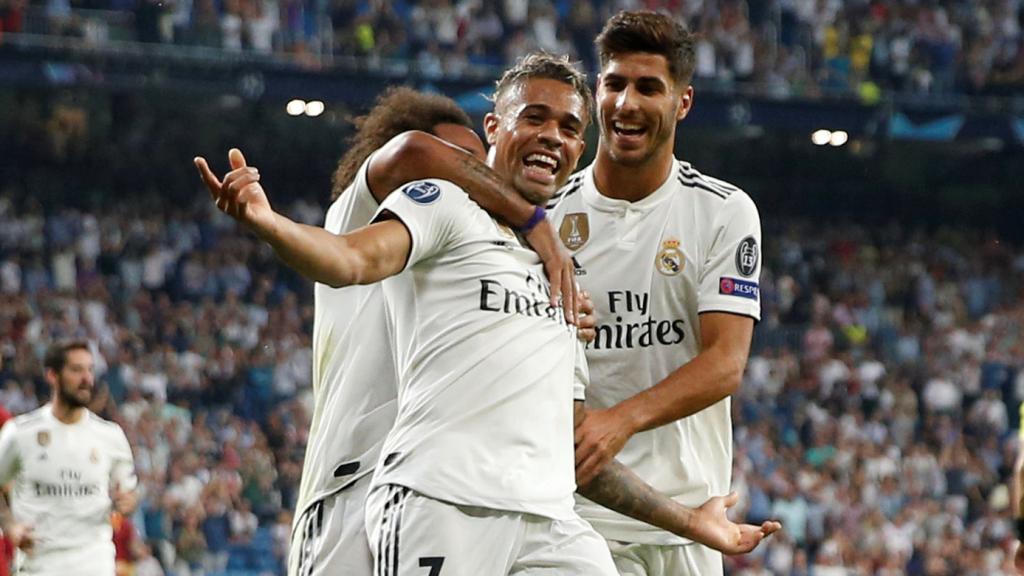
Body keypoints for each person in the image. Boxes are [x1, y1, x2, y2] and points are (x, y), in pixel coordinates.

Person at [199, 52, 778, 576]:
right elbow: (378, 212)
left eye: (570, 127)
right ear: (493, 131)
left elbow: (573, 446)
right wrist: (269, 223)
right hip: (380, 488)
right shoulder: (426, 205)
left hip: (536, 512)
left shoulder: (560, 281)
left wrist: (688, 520)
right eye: (463, 160)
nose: (465, 172)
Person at [196, 87, 584, 576]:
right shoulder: (364, 212)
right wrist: (536, 220)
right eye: (461, 164)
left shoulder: (479, 247)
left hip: (455, 495)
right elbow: (415, 153)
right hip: (351, 490)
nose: (474, 182)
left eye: (479, 168)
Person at [548, 11, 765, 576]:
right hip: (576, 515)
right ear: (597, 91)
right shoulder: (546, 214)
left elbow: (726, 362)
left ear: (682, 102)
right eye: (615, 83)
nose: (627, 104)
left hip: (688, 519)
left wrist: (619, 419)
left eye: (649, 87)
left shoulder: (722, 211)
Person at [0, 341, 138, 576]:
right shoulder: (19, 433)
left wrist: (128, 502)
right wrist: (10, 525)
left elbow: (129, 495)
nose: (87, 378)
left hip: (95, 563)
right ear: (52, 375)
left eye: (90, 370)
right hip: (39, 566)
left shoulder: (110, 436)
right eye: (76, 370)